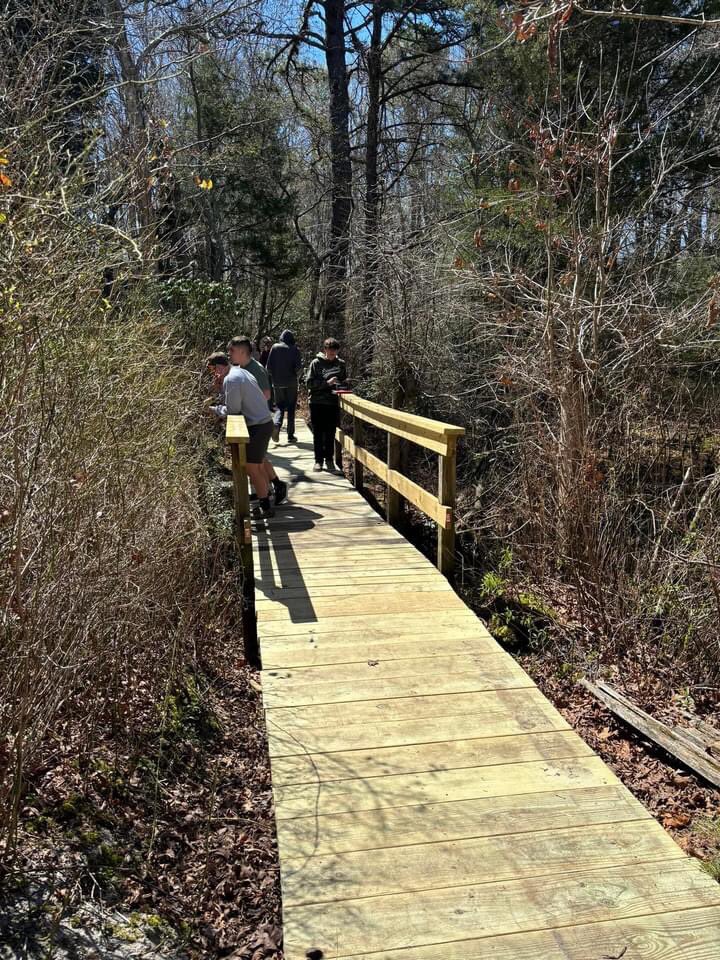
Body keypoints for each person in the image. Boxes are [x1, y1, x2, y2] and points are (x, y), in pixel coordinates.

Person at [226, 336, 288, 509]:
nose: (229, 353)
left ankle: (271, 490)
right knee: (259, 459)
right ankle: (273, 486)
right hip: (255, 421)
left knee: (256, 461)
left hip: (259, 420)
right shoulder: (242, 368)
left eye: (232, 350)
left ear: (242, 351)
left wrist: (250, 404)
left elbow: (266, 394)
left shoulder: (256, 369)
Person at [306, 337, 347, 473]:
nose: (331, 356)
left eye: (334, 353)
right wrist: (327, 383)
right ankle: (318, 461)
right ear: (325, 350)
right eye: (329, 353)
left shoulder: (341, 364)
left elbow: (343, 381)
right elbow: (309, 383)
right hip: (317, 402)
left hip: (332, 402)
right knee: (318, 432)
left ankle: (329, 459)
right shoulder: (316, 363)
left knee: (331, 432)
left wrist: (342, 385)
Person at [267, 329, 302, 444]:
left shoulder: (275, 348)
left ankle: (276, 425)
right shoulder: (294, 349)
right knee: (291, 408)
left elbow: (268, 368)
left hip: (277, 383)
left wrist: (275, 377)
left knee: (279, 406)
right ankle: (290, 435)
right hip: (291, 383)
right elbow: (298, 369)